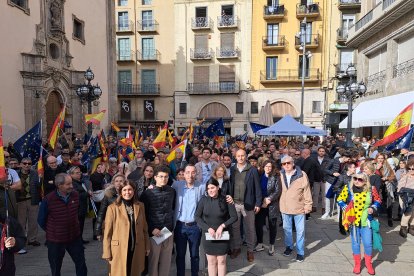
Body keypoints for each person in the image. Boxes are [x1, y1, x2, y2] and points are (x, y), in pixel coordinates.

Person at [37, 173, 88, 276]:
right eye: (68, 184)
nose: (71, 186)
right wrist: (53, 230)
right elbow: (41, 220)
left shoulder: (75, 195)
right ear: (59, 185)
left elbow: (77, 213)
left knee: (81, 264)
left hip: (74, 237)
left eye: (71, 183)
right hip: (56, 240)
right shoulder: (48, 199)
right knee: (56, 267)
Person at [102, 179, 150, 276]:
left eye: (130, 190)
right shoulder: (112, 208)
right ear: (120, 192)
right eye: (124, 190)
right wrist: (106, 252)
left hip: (137, 248)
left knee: (135, 271)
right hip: (119, 249)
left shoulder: (140, 206)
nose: (127, 192)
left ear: (134, 191)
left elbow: (145, 229)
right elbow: (107, 233)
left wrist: (147, 246)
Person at [337, 173, 381, 275]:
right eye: (355, 178)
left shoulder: (371, 189)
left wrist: (373, 207)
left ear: (365, 181)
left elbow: (378, 200)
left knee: (368, 243)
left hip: (367, 221)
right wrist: (346, 208)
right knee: (356, 243)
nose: (357, 181)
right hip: (353, 222)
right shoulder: (348, 188)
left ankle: (368, 263)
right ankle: (357, 264)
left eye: (360, 180)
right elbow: (340, 199)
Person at [195, 178, 237, 276]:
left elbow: (234, 217)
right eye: (208, 188)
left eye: (212, 187)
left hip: (222, 236)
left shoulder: (226, 199)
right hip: (208, 236)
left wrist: (222, 226)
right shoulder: (203, 200)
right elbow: (197, 217)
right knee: (211, 262)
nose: (210, 190)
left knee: (222, 261)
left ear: (218, 187)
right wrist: (207, 228)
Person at [228, 149, 261, 262]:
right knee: (235, 228)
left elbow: (257, 188)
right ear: (235, 157)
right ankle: (236, 248)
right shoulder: (232, 170)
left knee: (250, 228)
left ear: (246, 156)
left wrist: (258, 203)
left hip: (248, 204)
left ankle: (250, 250)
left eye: (243, 156)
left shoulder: (252, 170)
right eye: (238, 156)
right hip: (235, 204)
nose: (241, 158)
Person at [141, 166, 176, 276]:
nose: (164, 179)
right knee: (153, 262)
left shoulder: (172, 191)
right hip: (154, 232)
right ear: (155, 177)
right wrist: (152, 229)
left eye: (166, 177)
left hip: (168, 231)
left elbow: (173, 209)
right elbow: (143, 214)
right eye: (161, 176)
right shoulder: (147, 193)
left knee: (166, 263)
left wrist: (170, 227)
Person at [172, 164, 206, 276]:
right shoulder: (177, 185)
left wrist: (227, 198)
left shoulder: (201, 187)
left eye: (193, 172)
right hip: (180, 226)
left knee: (195, 255)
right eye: (187, 172)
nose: (190, 175)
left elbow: (212, 196)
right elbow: (164, 190)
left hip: (195, 227)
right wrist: (152, 187)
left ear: (196, 173)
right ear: (184, 174)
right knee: (180, 255)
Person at [279, 155, 312, 262]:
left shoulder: (302, 174)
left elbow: (307, 191)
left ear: (293, 163)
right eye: (284, 164)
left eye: (288, 163)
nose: (286, 165)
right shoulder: (280, 174)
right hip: (285, 207)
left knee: (300, 231)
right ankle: (289, 247)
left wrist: (308, 205)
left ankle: (300, 252)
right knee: (287, 230)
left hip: (299, 208)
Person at [254, 160, 281, 256]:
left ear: (272, 167)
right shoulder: (260, 176)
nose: (268, 168)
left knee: (272, 225)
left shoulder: (276, 177)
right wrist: (261, 201)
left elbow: (278, 191)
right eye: (266, 166)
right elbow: (257, 189)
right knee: (258, 225)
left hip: (272, 205)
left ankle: (271, 244)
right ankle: (260, 243)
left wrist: (269, 199)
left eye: (270, 166)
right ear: (263, 167)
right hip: (261, 204)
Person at [16, 158, 41, 249]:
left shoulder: (35, 173)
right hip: (20, 201)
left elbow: (38, 186)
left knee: (33, 221)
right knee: (21, 222)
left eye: (29, 163)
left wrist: (40, 180)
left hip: (32, 199)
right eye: (25, 163)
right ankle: (22, 239)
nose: (27, 165)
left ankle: (32, 239)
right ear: (21, 164)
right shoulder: (16, 173)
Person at [94, 174, 126, 240]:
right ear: (113, 183)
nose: (118, 183)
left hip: (125, 224)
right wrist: (98, 231)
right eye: (116, 181)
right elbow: (101, 213)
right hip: (112, 225)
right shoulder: (108, 195)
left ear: (125, 182)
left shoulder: (128, 194)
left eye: (121, 181)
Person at [68, 166, 91, 244]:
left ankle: (80, 239)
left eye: (80, 172)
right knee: (77, 226)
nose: (79, 174)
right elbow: (76, 195)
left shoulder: (80, 182)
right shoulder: (72, 183)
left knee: (81, 224)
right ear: (71, 174)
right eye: (77, 173)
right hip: (77, 208)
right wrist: (87, 193)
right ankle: (77, 241)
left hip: (82, 207)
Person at [333, 162, 356, 235]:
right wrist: (344, 193)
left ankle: (350, 227)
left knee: (351, 213)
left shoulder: (355, 177)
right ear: (349, 168)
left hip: (352, 199)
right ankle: (342, 228)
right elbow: (336, 188)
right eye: (353, 167)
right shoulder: (342, 177)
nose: (355, 168)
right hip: (344, 199)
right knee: (343, 214)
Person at [375, 153, 397, 227]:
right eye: (379, 158)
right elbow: (371, 175)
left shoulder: (387, 165)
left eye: (382, 158)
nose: (381, 160)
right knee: (377, 202)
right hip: (377, 187)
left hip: (387, 186)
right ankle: (375, 219)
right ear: (376, 158)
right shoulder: (373, 166)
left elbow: (393, 176)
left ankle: (389, 219)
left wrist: (386, 178)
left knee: (389, 202)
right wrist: (377, 169)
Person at [397, 159, 414, 238]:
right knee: (408, 212)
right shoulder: (405, 175)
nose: (411, 170)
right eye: (409, 168)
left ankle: (411, 227)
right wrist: (403, 197)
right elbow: (400, 187)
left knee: (413, 213)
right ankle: (403, 228)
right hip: (405, 195)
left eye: (413, 169)